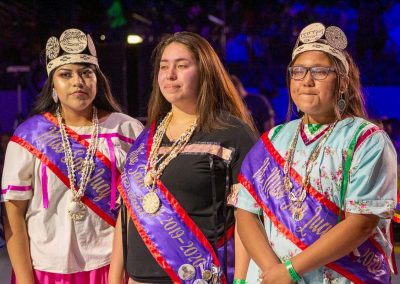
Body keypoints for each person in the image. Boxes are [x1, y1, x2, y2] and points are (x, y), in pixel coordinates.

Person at [235, 23, 398, 283]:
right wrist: (274, 271)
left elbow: (362, 223)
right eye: (298, 72)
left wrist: (290, 270)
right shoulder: (274, 139)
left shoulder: (366, 140)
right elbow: (245, 211)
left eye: (320, 72)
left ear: (343, 82)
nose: (307, 81)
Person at [109, 31, 258, 284]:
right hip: (138, 279)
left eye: (182, 65)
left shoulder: (233, 133)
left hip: (199, 276)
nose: (170, 75)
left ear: (205, 72)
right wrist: (114, 279)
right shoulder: (147, 137)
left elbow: (248, 216)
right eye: (164, 66)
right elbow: (127, 214)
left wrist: (242, 280)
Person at [1, 28, 143, 284]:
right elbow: (13, 214)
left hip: (112, 268)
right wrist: (24, 279)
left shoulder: (127, 130)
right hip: (45, 271)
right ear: (52, 84)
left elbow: (139, 210)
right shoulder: (29, 137)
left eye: (86, 73)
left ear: (97, 79)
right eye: (65, 74)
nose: (78, 82)